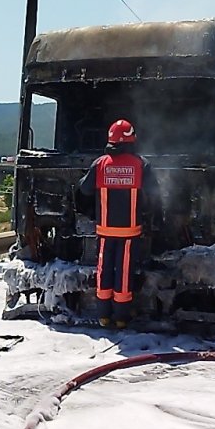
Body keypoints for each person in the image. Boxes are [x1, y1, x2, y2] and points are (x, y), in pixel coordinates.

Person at [77, 119, 156, 329]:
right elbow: (154, 192)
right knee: (123, 271)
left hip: (105, 229)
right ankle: (121, 317)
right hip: (129, 231)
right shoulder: (141, 164)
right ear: (131, 140)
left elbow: (84, 190)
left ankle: (103, 315)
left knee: (104, 269)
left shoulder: (100, 163)